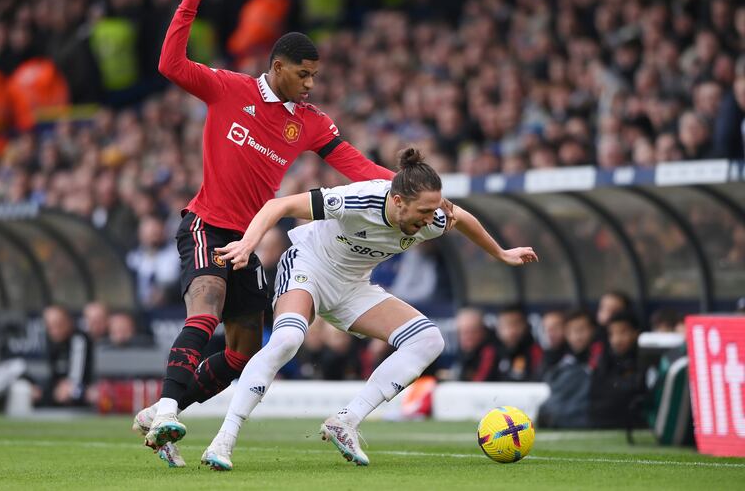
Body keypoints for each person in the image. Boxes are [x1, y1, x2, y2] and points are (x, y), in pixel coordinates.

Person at [138, 0, 453, 462]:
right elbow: (171, 65)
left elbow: (356, 167)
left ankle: (162, 409)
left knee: (243, 351)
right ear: (278, 66)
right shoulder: (229, 89)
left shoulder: (308, 124)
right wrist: (189, 5)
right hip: (206, 222)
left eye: (315, 76)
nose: (310, 84)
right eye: (303, 74)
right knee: (208, 302)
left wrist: (416, 193)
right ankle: (167, 409)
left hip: (250, 238)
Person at [193, 148, 537, 469]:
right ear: (398, 201)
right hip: (309, 267)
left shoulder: (433, 218)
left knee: (429, 340)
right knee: (286, 341)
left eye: (434, 211)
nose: (430, 220)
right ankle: (224, 439)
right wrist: (247, 245)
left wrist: (502, 253)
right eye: (423, 212)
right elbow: (276, 206)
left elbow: (461, 218)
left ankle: (346, 420)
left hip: (353, 287)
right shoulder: (359, 198)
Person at [37, 305, 93, 407]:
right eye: (50, 326)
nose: (55, 330)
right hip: (56, 389)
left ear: (68, 322)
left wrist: (66, 386)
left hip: (80, 388)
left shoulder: (78, 339)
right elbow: (49, 374)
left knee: (74, 391)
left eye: (58, 324)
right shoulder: (49, 342)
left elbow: (77, 376)